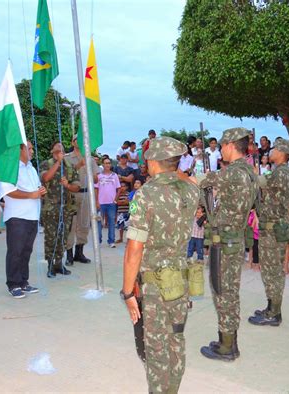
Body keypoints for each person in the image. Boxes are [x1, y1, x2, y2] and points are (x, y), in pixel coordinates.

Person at [121, 136, 199, 394]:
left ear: (153, 161)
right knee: (176, 338)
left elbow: (134, 248)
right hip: (182, 277)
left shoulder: (146, 194)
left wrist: (128, 292)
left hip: (155, 283)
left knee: (156, 348)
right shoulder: (191, 189)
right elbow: (187, 180)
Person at [198, 128, 258, 361]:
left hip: (224, 241)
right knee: (229, 290)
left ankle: (227, 347)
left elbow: (196, 181)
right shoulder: (249, 171)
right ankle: (227, 340)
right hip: (234, 239)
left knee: (223, 291)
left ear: (232, 145)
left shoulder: (232, 172)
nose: (220, 148)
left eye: (222, 145)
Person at [248, 139, 289, 326]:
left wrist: (252, 173)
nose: (271, 151)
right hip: (271, 229)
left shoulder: (282, 173)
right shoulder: (280, 172)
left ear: (283, 152)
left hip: (273, 230)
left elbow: (258, 182)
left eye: (275, 149)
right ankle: (271, 307)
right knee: (270, 271)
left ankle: (274, 313)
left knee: (272, 272)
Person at [4, 142, 46, 298]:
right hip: (17, 216)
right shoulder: (11, 167)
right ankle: (13, 284)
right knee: (16, 251)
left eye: (32, 148)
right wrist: (30, 195)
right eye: (28, 148)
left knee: (26, 251)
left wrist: (41, 190)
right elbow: (8, 190)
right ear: (20, 150)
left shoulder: (32, 168)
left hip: (32, 216)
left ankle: (23, 282)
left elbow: (36, 188)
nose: (32, 151)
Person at [40, 142, 80, 278]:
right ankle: (50, 265)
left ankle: (58, 263)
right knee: (51, 237)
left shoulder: (69, 167)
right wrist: (57, 162)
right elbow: (45, 178)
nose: (60, 151)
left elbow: (77, 186)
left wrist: (68, 185)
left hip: (66, 208)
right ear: (52, 151)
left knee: (63, 238)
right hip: (50, 208)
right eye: (57, 149)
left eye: (61, 150)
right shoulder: (47, 164)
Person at [64, 135, 99, 266]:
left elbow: (96, 180)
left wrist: (93, 175)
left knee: (84, 224)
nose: (79, 142)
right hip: (72, 194)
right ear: (72, 142)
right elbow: (65, 176)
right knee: (70, 225)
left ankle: (79, 252)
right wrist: (79, 165)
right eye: (76, 139)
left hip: (86, 194)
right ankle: (69, 254)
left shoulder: (90, 159)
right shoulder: (67, 158)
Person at [95, 157, 120, 247]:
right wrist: (97, 201)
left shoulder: (115, 175)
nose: (107, 165)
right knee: (99, 222)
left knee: (111, 222)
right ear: (103, 164)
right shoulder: (99, 176)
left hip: (111, 203)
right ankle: (98, 241)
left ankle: (111, 241)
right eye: (105, 163)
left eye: (109, 163)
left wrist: (115, 200)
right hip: (101, 203)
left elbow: (119, 189)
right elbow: (96, 189)